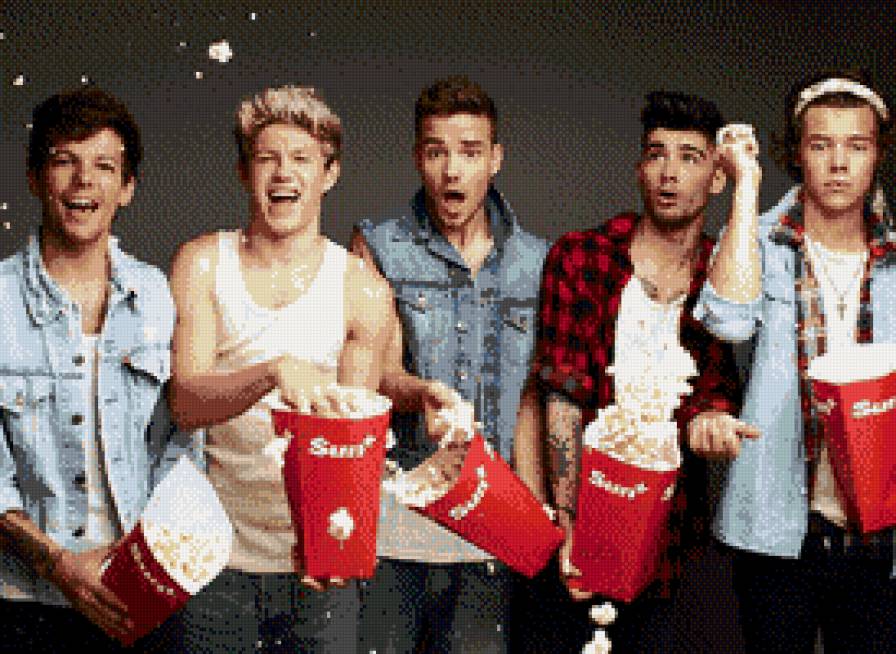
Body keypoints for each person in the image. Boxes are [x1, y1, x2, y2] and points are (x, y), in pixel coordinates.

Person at [166, 85, 395, 653]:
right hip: (212, 556)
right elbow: (185, 404)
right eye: (267, 159)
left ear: (330, 173)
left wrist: (334, 551)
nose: (283, 174)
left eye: (301, 159)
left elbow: (352, 447)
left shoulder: (363, 290)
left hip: (314, 567)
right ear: (244, 173)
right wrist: (271, 371)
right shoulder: (202, 264)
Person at [524, 91, 744, 653]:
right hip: (584, 518)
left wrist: (713, 422)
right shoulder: (583, 257)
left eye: (690, 157)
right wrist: (569, 525)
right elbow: (562, 398)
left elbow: (716, 391)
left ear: (717, 178)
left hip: (674, 536)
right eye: (656, 154)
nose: (669, 173)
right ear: (639, 168)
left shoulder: (721, 280)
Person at [696, 69, 896, 654]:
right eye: (820, 145)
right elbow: (729, 321)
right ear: (796, 153)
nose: (838, 164)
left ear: (877, 155)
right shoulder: (756, 240)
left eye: (856, 146)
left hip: (880, 530)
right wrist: (745, 186)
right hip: (777, 526)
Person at [351, 75, 550, 654]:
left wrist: (536, 507)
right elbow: (372, 375)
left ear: (495, 159)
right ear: (418, 158)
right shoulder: (378, 247)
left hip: (493, 519)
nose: (452, 171)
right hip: (400, 518)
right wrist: (422, 394)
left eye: (469, 152)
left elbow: (532, 399)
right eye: (437, 152)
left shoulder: (537, 261)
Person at [0, 86, 197, 653]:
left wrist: (141, 554)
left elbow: (184, 441)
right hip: (25, 602)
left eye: (104, 166)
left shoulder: (156, 295)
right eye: (65, 161)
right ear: (35, 178)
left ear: (127, 187)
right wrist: (58, 564)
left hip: (143, 594)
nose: (84, 181)